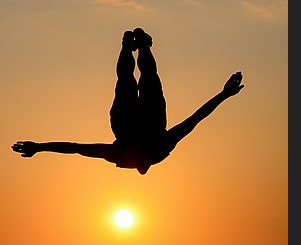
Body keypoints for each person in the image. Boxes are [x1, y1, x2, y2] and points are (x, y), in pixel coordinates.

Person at [12, 28, 244, 175]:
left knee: (130, 78)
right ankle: (141, 46)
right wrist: (224, 94)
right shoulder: (160, 146)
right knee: (144, 78)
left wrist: (40, 147)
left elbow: (76, 149)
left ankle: (133, 46)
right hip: (147, 119)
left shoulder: (125, 153)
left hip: (127, 121)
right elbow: (196, 118)